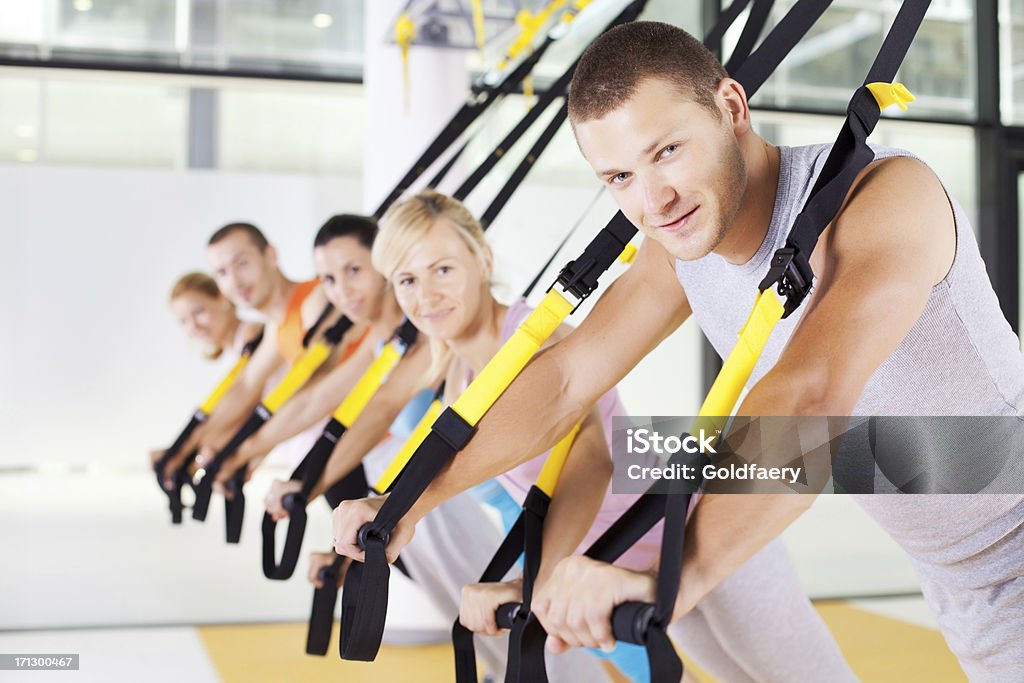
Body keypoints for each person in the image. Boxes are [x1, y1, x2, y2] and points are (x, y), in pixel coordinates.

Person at [331, 21, 1024, 682]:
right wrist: (407, 501)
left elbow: (809, 398)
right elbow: (568, 378)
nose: (653, 198)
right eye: (619, 178)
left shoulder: (882, 197)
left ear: (730, 105)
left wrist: (673, 574)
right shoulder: (679, 251)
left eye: (666, 151)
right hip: (962, 577)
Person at [362, 190, 857, 683]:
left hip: (693, 528)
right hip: (623, 563)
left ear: (482, 258)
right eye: (407, 279)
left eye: (442, 270)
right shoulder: (456, 379)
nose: (425, 296)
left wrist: (532, 584)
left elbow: (592, 460)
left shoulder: (539, 343)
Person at [157, 221, 358, 487]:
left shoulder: (316, 301)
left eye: (242, 264)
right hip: (336, 456)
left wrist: (238, 452)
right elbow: (245, 387)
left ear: (270, 256)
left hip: (371, 449)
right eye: (222, 272)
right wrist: (183, 449)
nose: (235, 281)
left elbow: (313, 395)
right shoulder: (279, 326)